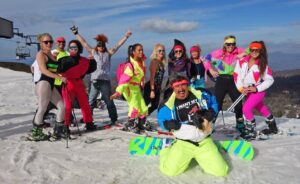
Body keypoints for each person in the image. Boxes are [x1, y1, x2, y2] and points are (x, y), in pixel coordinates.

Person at [157, 74, 227, 177]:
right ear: (173, 88)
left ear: (187, 85)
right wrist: (168, 124)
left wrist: (211, 112)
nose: (181, 88)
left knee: (221, 171)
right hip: (184, 143)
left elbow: (214, 102)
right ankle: (166, 147)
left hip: (204, 141)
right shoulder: (167, 105)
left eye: (183, 85)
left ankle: (209, 149)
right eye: (177, 86)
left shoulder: (201, 94)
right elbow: (162, 120)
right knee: (169, 171)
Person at [71, 26, 131, 125]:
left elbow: (118, 45)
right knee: (91, 101)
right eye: (99, 46)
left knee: (109, 101)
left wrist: (126, 36)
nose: (101, 47)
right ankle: (88, 119)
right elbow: (84, 43)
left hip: (105, 81)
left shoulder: (108, 53)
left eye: (102, 46)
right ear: (97, 46)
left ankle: (114, 119)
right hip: (94, 80)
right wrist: (76, 33)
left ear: (105, 46)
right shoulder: (93, 52)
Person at [234, 41, 277, 140]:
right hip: (246, 91)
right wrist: (241, 88)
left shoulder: (262, 65)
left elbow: (270, 80)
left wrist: (257, 88)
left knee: (246, 109)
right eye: (252, 50)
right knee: (260, 107)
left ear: (260, 51)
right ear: (249, 50)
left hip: (258, 91)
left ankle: (250, 131)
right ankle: (273, 126)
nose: (254, 52)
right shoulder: (242, 61)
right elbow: (236, 75)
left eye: (256, 50)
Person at [55, 40, 97, 136]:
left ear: (79, 49)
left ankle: (89, 123)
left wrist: (93, 61)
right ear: (68, 49)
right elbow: (57, 69)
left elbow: (91, 69)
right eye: (71, 48)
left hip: (78, 83)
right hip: (68, 82)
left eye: (75, 48)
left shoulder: (85, 60)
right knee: (68, 106)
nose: (73, 50)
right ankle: (65, 125)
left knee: (84, 104)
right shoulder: (64, 59)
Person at [206, 35, 245, 132]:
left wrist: (243, 54)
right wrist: (210, 70)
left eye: (233, 44)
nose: (231, 46)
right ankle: (211, 124)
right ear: (225, 44)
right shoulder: (218, 53)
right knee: (217, 103)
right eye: (228, 44)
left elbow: (253, 49)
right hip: (221, 80)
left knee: (238, 103)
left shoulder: (239, 51)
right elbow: (206, 58)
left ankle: (240, 124)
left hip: (234, 80)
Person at [32, 33, 66, 140]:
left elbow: (54, 69)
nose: (49, 44)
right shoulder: (41, 54)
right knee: (42, 108)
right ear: (41, 43)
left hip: (50, 84)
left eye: (50, 41)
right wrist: (59, 78)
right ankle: (37, 133)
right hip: (43, 83)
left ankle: (58, 131)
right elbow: (44, 70)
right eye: (46, 42)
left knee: (62, 107)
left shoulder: (52, 54)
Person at [110, 43, 148, 133]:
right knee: (134, 107)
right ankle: (130, 125)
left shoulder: (140, 63)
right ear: (133, 52)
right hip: (129, 89)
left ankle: (141, 124)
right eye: (139, 50)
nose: (141, 52)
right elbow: (124, 80)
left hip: (136, 89)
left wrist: (142, 83)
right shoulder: (130, 65)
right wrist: (118, 92)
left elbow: (141, 76)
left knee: (143, 107)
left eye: (142, 50)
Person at [143, 43, 166, 115]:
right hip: (151, 87)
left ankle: (142, 118)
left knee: (155, 105)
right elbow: (152, 77)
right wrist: (152, 90)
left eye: (163, 50)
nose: (161, 52)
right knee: (144, 105)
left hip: (157, 88)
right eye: (159, 51)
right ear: (156, 52)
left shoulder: (161, 62)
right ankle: (137, 120)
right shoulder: (155, 62)